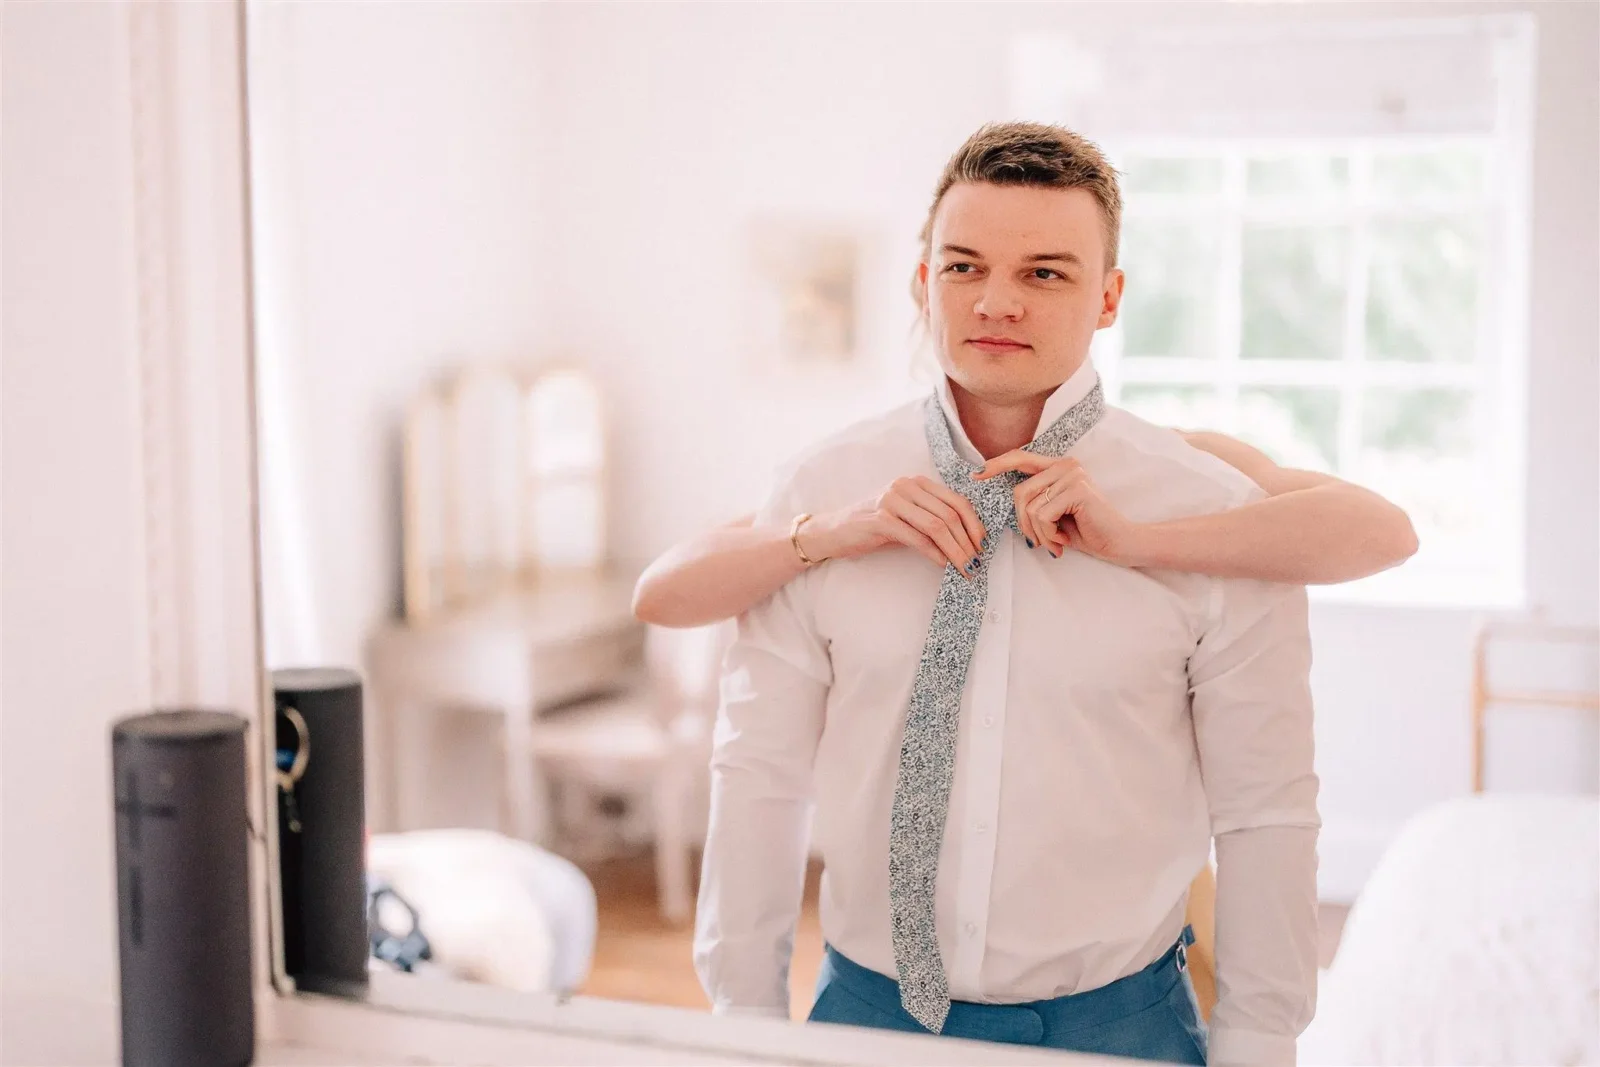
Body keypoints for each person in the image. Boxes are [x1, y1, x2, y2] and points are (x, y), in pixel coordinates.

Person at [684, 122, 1409, 1066]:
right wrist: (742, 1019)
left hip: (1123, 1030)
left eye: (1045, 273)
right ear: (922, 279)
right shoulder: (824, 497)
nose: (996, 301)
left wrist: (1260, 1041)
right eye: (965, 266)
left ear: (1108, 297)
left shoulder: (1210, 512)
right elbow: (758, 776)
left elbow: (1265, 810)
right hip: (861, 1020)